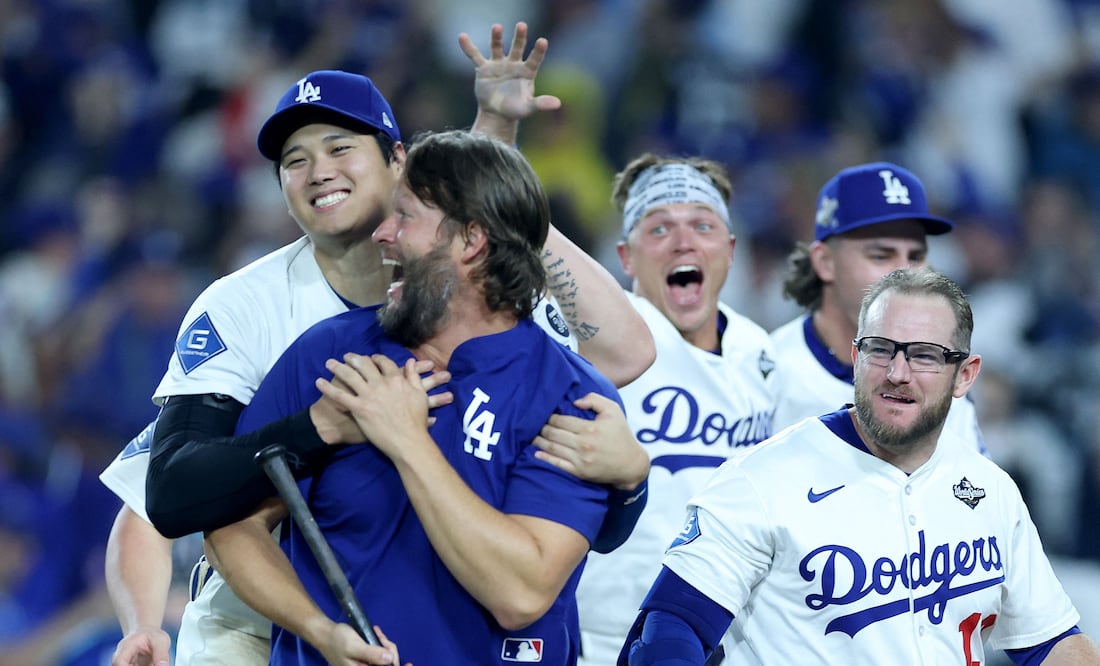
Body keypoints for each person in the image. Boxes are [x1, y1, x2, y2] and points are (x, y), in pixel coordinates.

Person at [100, 23, 653, 666]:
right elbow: (167, 493)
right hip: (256, 614)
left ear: (398, 161)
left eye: (338, 147)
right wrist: (320, 427)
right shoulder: (257, 310)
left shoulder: (504, 321)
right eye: (294, 160)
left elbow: (620, 352)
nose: (317, 171)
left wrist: (494, 153)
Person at [207, 129, 624, 665]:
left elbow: (521, 594)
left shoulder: (569, 395)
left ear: (471, 241)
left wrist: (405, 438)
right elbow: (232, 522)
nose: (381, 233)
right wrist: (318, 629)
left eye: (405, 216)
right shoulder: (331, 355)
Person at [621, 267, 1100, 665]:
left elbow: (1049, 640)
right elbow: (667, 628)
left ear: (965, 376)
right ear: (855, 357)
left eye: (925, 356)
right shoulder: (760, 481)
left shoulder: (989, 488)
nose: (897, 372)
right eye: (880, 349)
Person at [535, 154, 777, 665]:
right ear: (625, 256)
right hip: (601, 639)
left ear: (730, 250)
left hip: (727, 638)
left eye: (703, 225)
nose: (684, 242)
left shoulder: (759, 351)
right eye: (660, 227)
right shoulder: (596, 338)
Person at [769, 162, 985, 456]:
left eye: (916, 255)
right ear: (825, 262)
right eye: (881, 255)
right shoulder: (767, 372)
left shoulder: (937, 371)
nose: (903, 273)